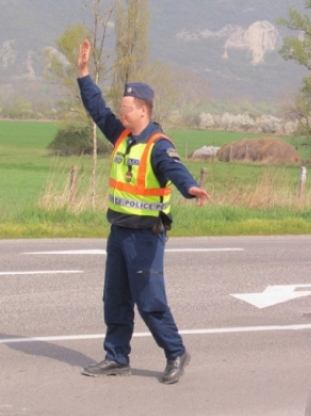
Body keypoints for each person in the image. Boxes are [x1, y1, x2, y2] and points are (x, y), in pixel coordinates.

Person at [76, 39, 211, 384]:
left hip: (146, 236)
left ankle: (176, 353)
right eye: (120, 108)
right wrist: (83, 74)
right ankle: (116, 357)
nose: (120, 112)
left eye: (126, 108)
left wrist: (190, 187)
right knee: (115, 298)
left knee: (149, 301)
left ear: (143, 111)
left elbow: (175, 170)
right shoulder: (122, 136)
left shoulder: (158, 145)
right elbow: (96, 109)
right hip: (119, 231)